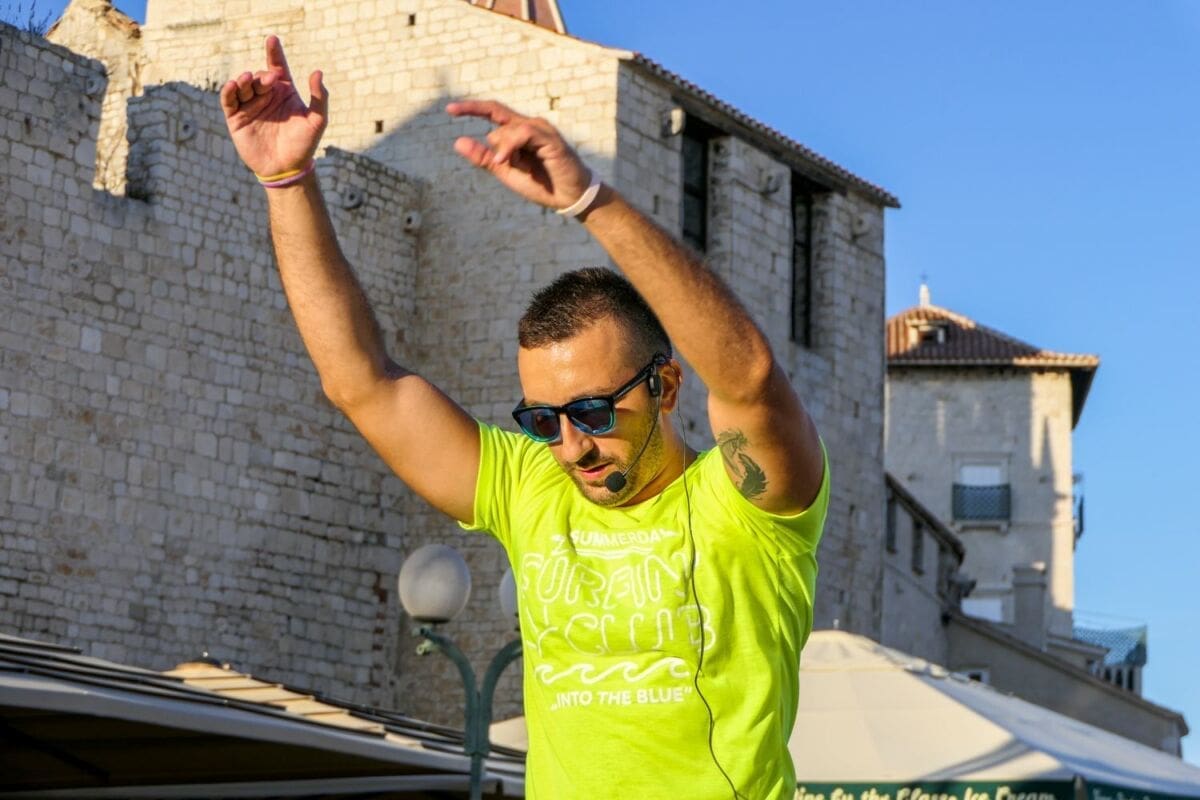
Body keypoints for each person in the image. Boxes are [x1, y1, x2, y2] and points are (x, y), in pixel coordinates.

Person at [221, 35, 828, 800]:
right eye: (544, 420)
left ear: (667, 386)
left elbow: (749, 377)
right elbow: (362, 384)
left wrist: (590, 202)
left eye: (594, 411)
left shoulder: (748, 508)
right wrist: (285, 179)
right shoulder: (530, 488)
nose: (571, 446)